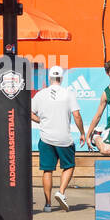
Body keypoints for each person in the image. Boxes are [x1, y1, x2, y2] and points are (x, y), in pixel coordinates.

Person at [30, 66, 87, 212]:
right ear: (61, 78)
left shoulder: (40, 94)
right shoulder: (68, 93)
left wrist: (40, 121)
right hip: (64, 138)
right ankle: (61, 192)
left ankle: (48, 205)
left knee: (47, 170)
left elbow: (29, 112)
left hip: (46, 138)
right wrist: (82, 133)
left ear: (49, 78)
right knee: (69, 166)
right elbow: (77, 115)